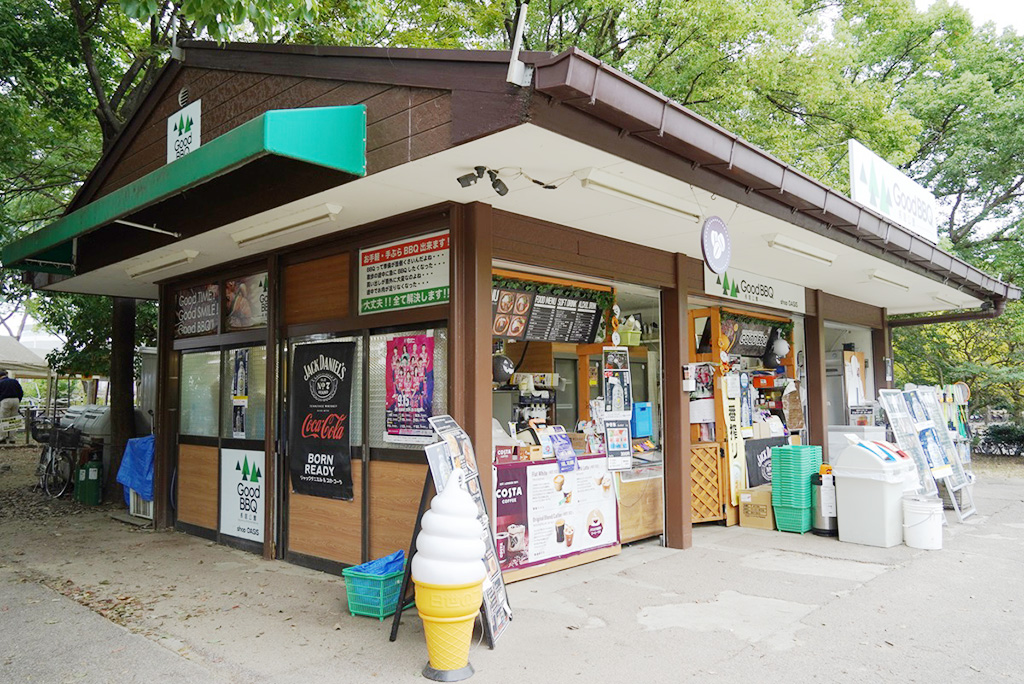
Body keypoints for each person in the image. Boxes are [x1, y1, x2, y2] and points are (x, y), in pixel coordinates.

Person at [0, 369, 24, 443]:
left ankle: (2, 437)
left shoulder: (1, 383)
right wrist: (18, 400)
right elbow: (21, 392)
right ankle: (12, 438)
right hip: (16, 400)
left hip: (5, 400)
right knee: (14, 419)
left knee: (3, 419)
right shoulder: (14, 381)